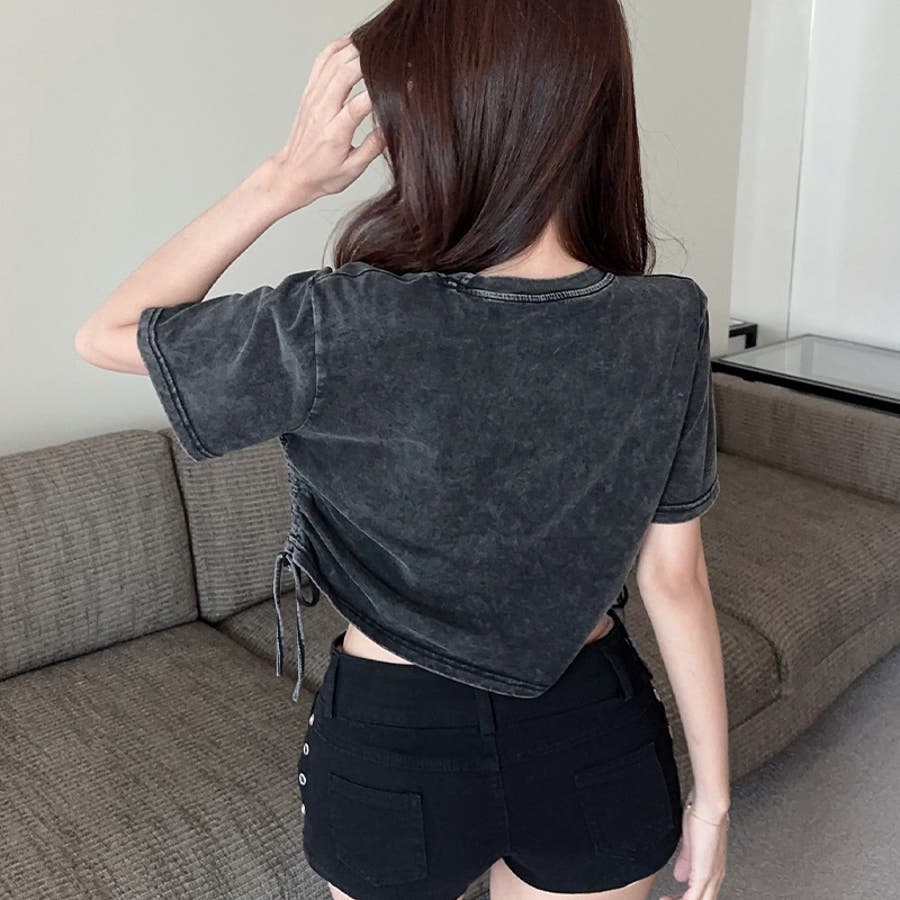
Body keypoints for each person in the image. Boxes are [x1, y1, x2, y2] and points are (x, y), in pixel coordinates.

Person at [75, 3, 731, 899]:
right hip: (592, 727)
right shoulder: (669, 318)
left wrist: (283, 180)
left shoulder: (344, 320)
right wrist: (713, 801)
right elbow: (674, 578)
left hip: (395, 744)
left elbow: (107, 335)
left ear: (446, 116)